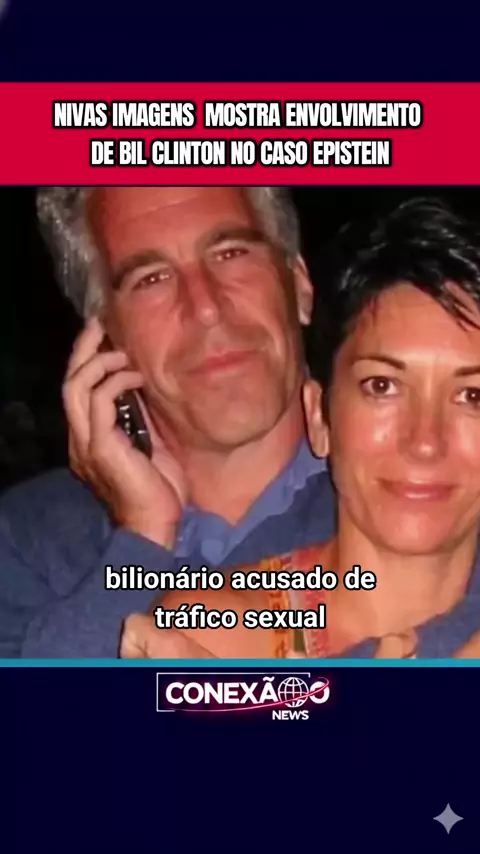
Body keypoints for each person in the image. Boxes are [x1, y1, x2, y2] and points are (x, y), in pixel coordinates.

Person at [0, 185, 335, 659]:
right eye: (151, 279)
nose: (206, 308)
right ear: (105, 338)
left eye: (231, 253)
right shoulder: (25, 539)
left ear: (299, 285)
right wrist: (142, 540)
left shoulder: (414, 500)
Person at [144, 197, 480, 659]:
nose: (425, 441)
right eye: (382, 386)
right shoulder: (205, 640)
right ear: (320, 416)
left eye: (472, 396)